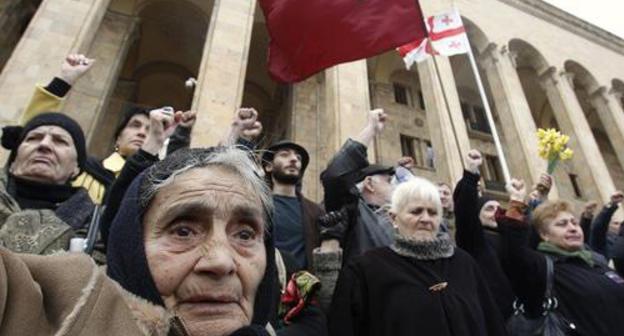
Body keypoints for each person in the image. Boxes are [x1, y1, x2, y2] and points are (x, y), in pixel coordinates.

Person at [0, 146, 278, 335]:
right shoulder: (64, 307)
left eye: (244, 235)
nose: (220, 262)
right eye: (183, 231)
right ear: (129, 247)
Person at [328, 177, 507, 336]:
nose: (426, 219)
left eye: (433, 212)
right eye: (416, 211)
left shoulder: (464, 262)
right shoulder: (366, 269)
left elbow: (492, 323)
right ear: (394, 218)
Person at [498, 180, 624, 336]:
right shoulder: (543, 269)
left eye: (574, 223)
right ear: (544, 235)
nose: (572, 228)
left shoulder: (596, 261)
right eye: (562, 224)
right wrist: (517, 203)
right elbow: (513, 252)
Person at [0, 112, 94, 254]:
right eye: (33, 138)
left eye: (60, 141)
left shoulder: (93, 226)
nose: (44, 144)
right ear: (12, 161)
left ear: (76, 168)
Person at [319, 109, 395, 262]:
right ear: (369, 184)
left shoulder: (398, 219)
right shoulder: (351, 211)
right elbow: (335, 175)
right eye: (388, 182)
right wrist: (371, 129)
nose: (394, 188)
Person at [453, 149, 515, 319]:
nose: (495, 212)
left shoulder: (510, 239)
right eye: (489, 208)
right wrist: (471, 173)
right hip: (494, 317)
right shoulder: (473, 240)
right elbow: (464, 211)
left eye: (499, 209)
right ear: (476, 214)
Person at [261, 139, 323, 271]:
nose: (294, 159)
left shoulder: (315, 211)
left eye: (298, 157)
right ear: (269, 166)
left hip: (303, 287)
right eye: (284, 155)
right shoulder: (257, 205)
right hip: (266, 282)